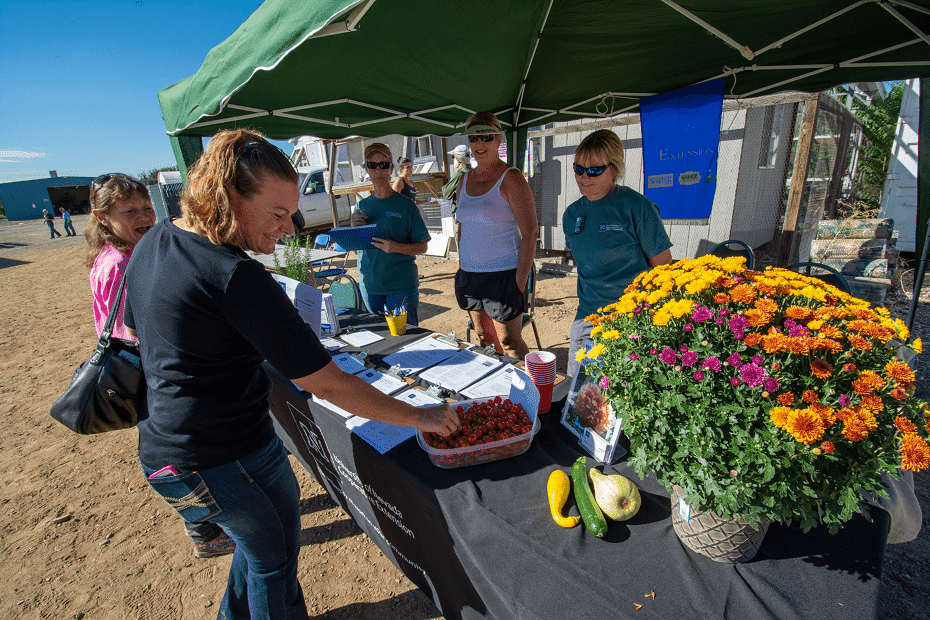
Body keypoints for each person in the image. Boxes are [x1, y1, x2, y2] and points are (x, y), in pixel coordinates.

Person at [122, 129, 459, 619]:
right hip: (205, 451)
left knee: (265, 550)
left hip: (216, 438)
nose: (287, 228)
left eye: (292, 213)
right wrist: (422, 418)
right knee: (271, 560)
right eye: (277, 214)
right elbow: (325, 382)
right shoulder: (236, 276)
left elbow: (139, 327)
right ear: (227, 197)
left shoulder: (156, 239)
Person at [85, 172, 236, 559]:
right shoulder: (117, 263)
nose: (144, 216)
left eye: (146, 207)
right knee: (177, 453)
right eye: (129, 211)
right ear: (102, 217)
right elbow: (128, 328)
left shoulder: (135, 252)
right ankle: (203, 528)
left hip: (154, 371)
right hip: (148, 374)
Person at [563, 129, 674, 377]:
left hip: (632, 319)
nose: (584, 177)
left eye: (594, 170)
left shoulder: (637, 207)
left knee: (625, 397)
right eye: (578, 169)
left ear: (615, 169)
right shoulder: (571, 215)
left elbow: (664, 270)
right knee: (579, 398)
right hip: (588, 317)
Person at [454, 111, 539, 360]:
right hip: (470, 274)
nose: (479, 144)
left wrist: (518, 285)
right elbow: (462, 226)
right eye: (474, 138)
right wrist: (463, 266)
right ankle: (500, 394)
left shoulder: (511, 178)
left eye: (486, 137)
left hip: (503, 273)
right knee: (484, 339)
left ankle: (534, 394)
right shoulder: (464, 179)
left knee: (509, 341)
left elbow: (531, 233)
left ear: (499, 139)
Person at [352, 143, 431, 325]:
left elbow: (423, 246)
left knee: (405, 339)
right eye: (372, 165)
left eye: (383, 165)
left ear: (391, 169)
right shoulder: (361, 206)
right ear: (367, 169)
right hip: (370, 286)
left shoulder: (405, 205)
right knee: (380, 341)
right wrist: (353, 228)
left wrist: (394, 247)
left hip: (400, 286)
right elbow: (357, 250)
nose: (378, 170)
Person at [441, 144, 473, 212]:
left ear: (459, 159)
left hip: (463, 213)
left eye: (453, 157)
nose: (453, 159)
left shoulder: (460, 174)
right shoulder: (475, 172)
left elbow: (446, 193)